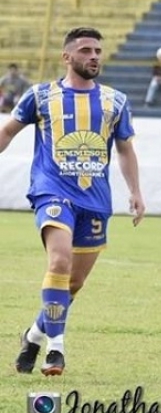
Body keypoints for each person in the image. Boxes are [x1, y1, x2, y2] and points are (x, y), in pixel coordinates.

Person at [5, 27, 145, 377]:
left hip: (96, 201)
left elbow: (125, 149)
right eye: (85, 50)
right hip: (52, 191)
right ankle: (56, 350)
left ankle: (34, 335)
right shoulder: (40, 96)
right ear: (67, 57)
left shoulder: (116, 101)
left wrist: (136, 191)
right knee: (59, 259)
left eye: (98, 50)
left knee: (72, 284)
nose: (94, 56)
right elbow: (7, 132)